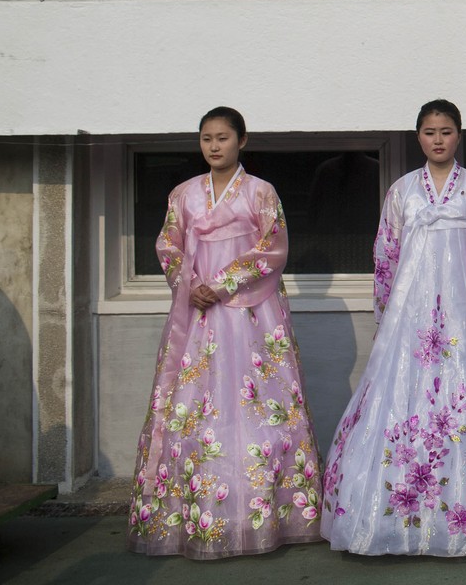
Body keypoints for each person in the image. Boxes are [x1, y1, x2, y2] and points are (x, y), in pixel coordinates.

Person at [321, 100, 466, 555]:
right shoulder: (402, 192)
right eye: (429, 132)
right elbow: (385, 255)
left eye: (446, 131)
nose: (438, 139)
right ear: (417, 137)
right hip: (409, 320)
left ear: (459, 135)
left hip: (464, 319)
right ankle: (397, 519)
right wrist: (384, 316)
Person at [127, 107, 323, 559]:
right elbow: (167, 245)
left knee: (258, 404)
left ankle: (266, 515)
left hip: (252, 315)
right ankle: (201, 516)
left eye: (223, 138)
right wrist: (189, 285)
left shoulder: (261, 192)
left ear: (242, 141)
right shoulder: (183, 194)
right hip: (198, 315)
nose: (214, 146)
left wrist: (220, 284)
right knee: (195, 406)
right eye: (206, 139)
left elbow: (273, 248)